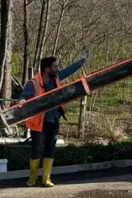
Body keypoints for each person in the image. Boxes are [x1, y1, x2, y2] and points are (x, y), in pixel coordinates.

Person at [18, 51, 88, 187]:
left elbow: (69, 70)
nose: (57, 69)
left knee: (50, 149)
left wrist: (82, 61)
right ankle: (33, 178)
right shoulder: (33, 83)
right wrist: (22, 101)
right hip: (39, 123)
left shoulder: (56, 78)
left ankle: (46, 178)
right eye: (55, 66)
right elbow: (24, 96)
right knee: (36, 150)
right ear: (47, 69)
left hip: (54, 120)